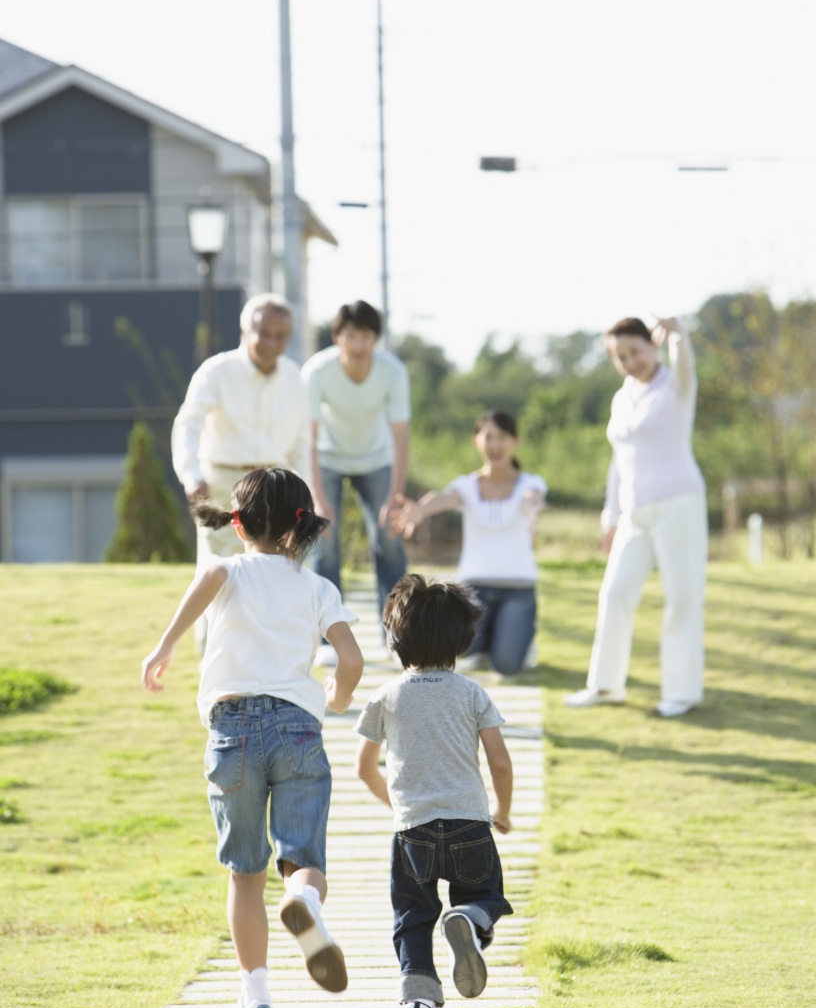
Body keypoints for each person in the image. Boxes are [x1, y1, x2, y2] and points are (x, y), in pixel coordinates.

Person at [140, 467, 364, 1008]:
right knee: (302, 857)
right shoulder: (318, 588)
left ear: (237, 524)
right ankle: (304, 901)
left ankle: (256, 1003)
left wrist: (163, 647)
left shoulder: (227, 568)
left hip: (232, 730)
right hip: (298, 731)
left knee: (245, 874)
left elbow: (206, 580)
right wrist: (335, 698)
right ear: (302, 524)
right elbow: (352, 660)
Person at [354, 574, 513, 1008]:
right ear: (463, 639)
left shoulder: (385, 697)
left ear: (394, 639)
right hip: (469, 824)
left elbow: (364, 767)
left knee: (413, 917)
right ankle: (471, 918)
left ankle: (418, 1006)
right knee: (483, 894)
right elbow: (500, 763)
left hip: (412, 830)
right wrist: (501, 810)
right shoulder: (471, 693)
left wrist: (399, 806)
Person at [565, 315, 707, 718]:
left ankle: (682, 693)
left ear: (653, 346)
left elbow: (685, 365)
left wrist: (678, 335)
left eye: (636, 352)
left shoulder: (676, 386)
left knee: (682, 598)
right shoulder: (622, 396)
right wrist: (611, 514)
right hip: (634, 512)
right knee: (614, 594)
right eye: (620, 356)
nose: (630, 362)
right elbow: (619, 459)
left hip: (679, 504)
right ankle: (606, 685)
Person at [171, 293, 310, 651]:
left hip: (277, 490)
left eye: (281, 336)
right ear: (245, 330)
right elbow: (187, 426)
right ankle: (213, 675)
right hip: (222, 484)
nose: (271, 343)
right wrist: (192, 477)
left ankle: (261, 675)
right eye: (263, 333)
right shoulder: (217, 371)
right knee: (217, 575)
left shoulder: (294, 377)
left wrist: (307, 499)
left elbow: (300, 443)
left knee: (272, 581)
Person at [391, 410, 546, 676]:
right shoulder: (466, 486)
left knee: (507, 666)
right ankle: (491, 637)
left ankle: (517, 636)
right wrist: (420, 511)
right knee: (459, 654)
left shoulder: (530, 483)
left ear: (515, 441)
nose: (495, 445)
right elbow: (443, 498)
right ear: (476, 441)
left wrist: (532, 513)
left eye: (502, 437)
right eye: (488, 437)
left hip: (518, 590)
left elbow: (533, 498)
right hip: (474, 592)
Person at [301, 300, 410, 660]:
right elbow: (308, 438)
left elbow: (401, 437)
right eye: (351, 336)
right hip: (328, 458)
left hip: (376, 459)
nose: (359, 345)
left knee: (388, 539)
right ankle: (330, 640)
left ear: (375, 338)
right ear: (337, 337)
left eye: (365, 336)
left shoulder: (392, 371)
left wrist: (395, 496)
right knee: (324, 542)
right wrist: (318, 498)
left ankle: (398, 636)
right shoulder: (317, 371)